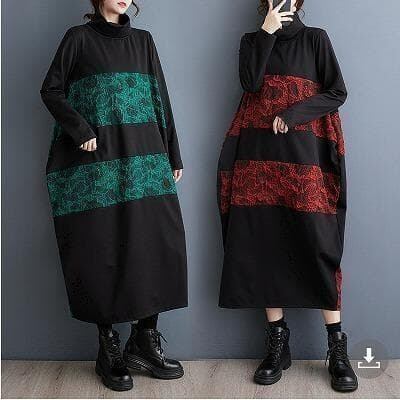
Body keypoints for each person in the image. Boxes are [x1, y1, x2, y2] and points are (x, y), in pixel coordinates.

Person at [40, 0, 187, 391]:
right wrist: (80, 129)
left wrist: (172, 152)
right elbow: (51, 90)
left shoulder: (143, 40)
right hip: (99, 165)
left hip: (145, 158)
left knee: (155, 244)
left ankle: (144, 340)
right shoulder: (78, 38)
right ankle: (108, 349)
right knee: (101, 246)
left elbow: (159, 97)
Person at [217, 0, 358, 392]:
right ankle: (278, 344)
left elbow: (337, 91)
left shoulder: (315, 40)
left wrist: (293, 114)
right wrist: (265, 33)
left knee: (319, 245)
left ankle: (337, 349)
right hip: (258, 159)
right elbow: (250, 84)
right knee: (264, 244)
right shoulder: (251, 41)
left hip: (306, 159)